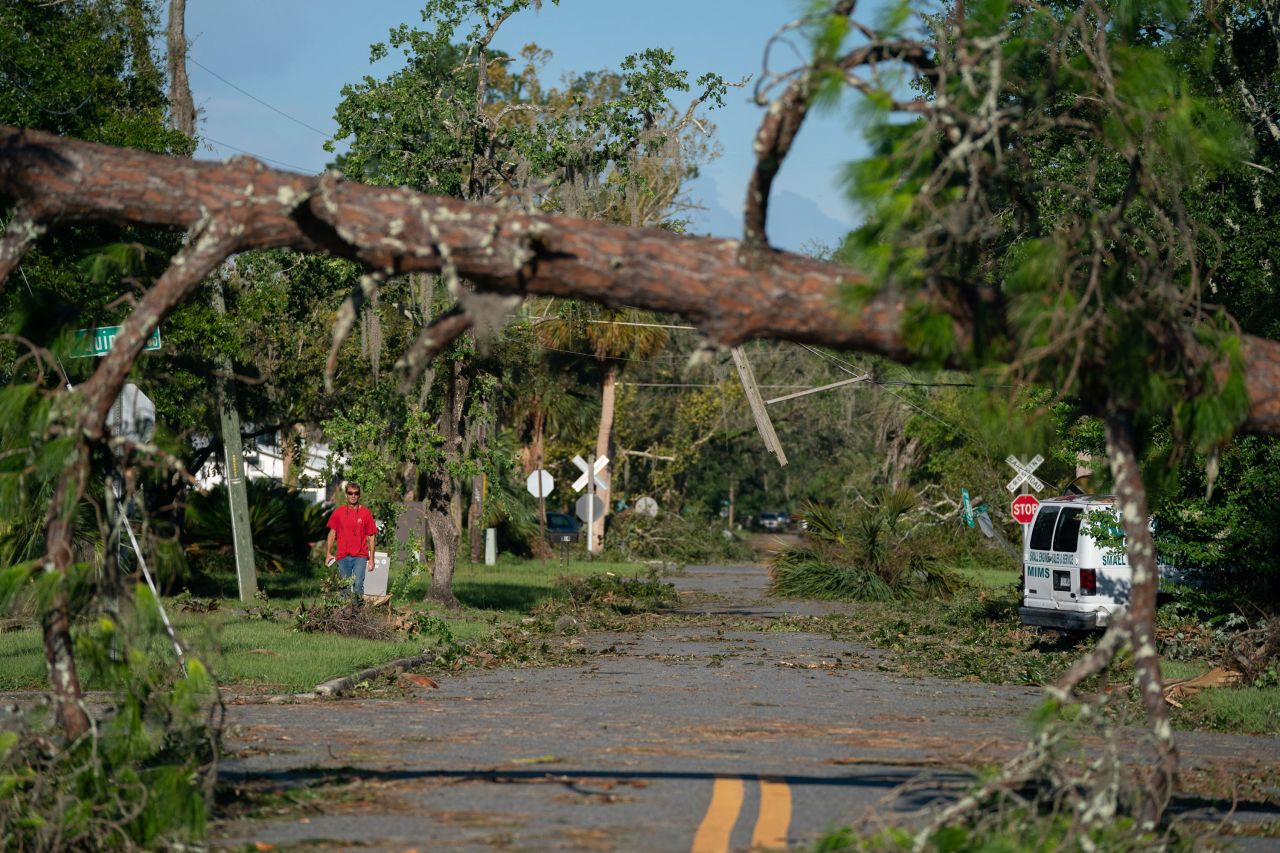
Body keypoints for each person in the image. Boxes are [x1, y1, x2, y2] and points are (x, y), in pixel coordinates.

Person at [325, 481, 377, 597]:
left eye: (356, 493)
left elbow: (371, 537)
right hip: (343, 555)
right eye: (350, 493)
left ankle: (358, 613)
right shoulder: (338, 512)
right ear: (346, 495)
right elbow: (332, 533)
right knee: (344, 587)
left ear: (359, 495)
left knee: (358, 584)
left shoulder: (365, 513)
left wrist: (372, 559)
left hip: (360, 555)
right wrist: (328, 553)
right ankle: (345, 614)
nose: (353, 496)